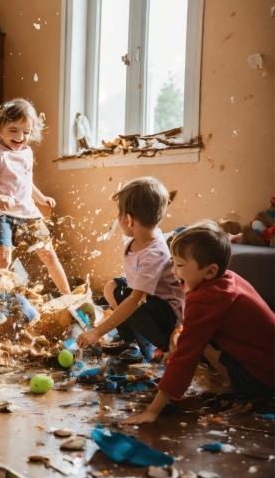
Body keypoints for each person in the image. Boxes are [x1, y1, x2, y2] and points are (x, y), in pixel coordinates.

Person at [123, 221, 275, 424]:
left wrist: (152, 411)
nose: (174, 271)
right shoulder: (229, 278)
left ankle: (242, 389)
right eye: (173, 262)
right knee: (188, 334)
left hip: (263, 377)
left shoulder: (205, 300)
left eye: (180, 265)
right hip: (267, 364)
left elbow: (186, 356)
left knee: (192, 342)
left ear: (210, 271)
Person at [77, 177, 183, 362]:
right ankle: (133, 342)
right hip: (150, 298)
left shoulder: (154, 253)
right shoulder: (138, 238)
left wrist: (97, 332)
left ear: (129, 219)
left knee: (127, 298)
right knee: (112, 287)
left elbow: (136, 299)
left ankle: (163, 345)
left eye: (120, 213)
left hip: (166, 314)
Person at [0, 98, 70, 295]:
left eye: (26, 132)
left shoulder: (27, 152)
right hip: (0, 212)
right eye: (13, 130)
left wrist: (41, 198)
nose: (20, 137)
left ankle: (69, 298)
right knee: (4, 258)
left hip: (28, 212)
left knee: (49, 254)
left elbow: (26, 181)